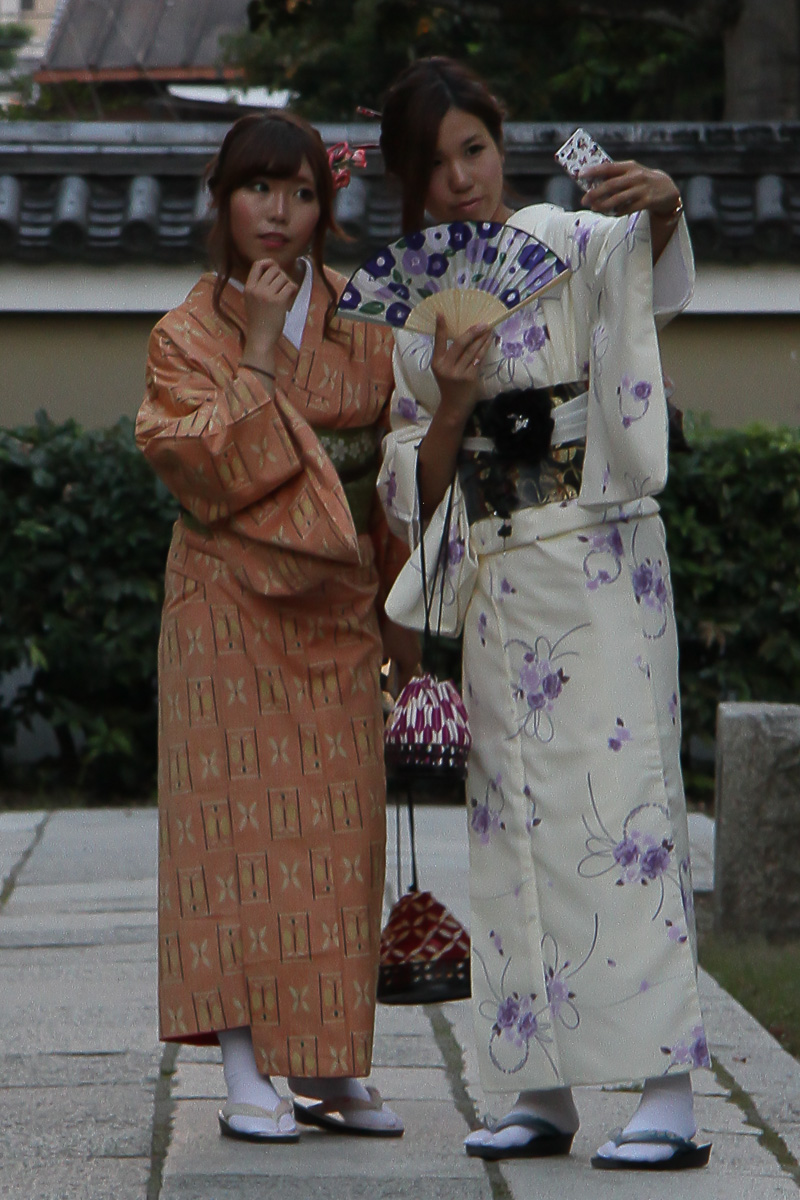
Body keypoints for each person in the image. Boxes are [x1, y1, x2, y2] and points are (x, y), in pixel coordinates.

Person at [377, 57, 712, 1171]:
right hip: (497, 580)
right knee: (512, 829)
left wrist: (659, 203)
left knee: (621, 817)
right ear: (410, 187)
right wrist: (456, 396)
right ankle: (538, 1088)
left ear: (499, 145)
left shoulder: (562, 239)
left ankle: (662, 1087)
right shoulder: (417, 320)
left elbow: (647, 283)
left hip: (600, 562)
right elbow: (412, 486)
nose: (459, 180)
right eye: (434, 166)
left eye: (471, 149)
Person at [136, 111, 413, 1144]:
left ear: (322, 207)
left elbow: (394, 472)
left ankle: (331, 1064)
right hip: (226, 607)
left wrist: (403, 618)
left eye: (301, 194)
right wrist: (255, 351)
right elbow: (199, 465)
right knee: (230, 838)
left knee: (335, 842)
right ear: (223, 199)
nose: (279, 214)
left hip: (338, 609)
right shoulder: (184, 333)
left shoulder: (366, 320)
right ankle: (244, 1063)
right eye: (260, 190)